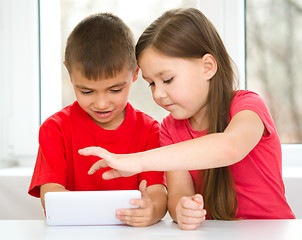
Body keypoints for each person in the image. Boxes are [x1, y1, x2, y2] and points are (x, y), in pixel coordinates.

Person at [79, 8, 295, 230]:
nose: (158, 94)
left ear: (207, 67)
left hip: (272, 232)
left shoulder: (247, 107)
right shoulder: (170, 129)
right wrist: (182, 207)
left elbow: (230, 147)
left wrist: (138, 161)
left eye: (168, 79)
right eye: (152, 83)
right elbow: (179, 194)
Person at [28, 13, 167, 227]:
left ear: (135, 74)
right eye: (86, 91)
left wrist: (153, 211)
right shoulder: (55, 129)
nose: (102, 104)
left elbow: (156, 193)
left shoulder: (150, 130)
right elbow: (51, 195)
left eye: (115, 89)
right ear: (70, 74)